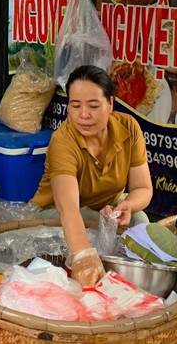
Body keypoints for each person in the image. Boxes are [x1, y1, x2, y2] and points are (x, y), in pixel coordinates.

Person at [30, 65, 153, 288]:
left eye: (94, 106)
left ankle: (140, 285)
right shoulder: (63, 141)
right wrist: (84, 259)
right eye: (75, 106)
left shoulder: (129, 128)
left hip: (106, 210)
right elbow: (68, 209)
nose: (84, 115)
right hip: (55, 217)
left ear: (111, 104)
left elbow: (143, 189)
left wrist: (127, 205)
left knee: (140, 220)